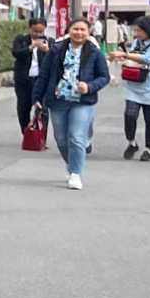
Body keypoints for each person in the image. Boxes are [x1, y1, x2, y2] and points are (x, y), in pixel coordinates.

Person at [38, 16, 109, 190]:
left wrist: (89, 86)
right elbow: (44, 75)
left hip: (83, 101)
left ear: (89, 32)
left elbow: (104, 77)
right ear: (68, 31)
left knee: (76, 137)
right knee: (61, 139)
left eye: (83, 29)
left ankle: (76, 174)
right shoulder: (56, 50)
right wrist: (37, 98)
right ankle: (71, 165)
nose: (79, 33)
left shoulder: (94, 52)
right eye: (75, 29)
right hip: (58, 100)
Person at [117, 13, 150, 161]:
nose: (136, 33)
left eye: (139, 30)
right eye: (135, 30)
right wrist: (124, 61)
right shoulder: (136, 42)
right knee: (129, 115)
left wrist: (126, 55)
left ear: (148, 29)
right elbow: (133, 59)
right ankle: (132, 143)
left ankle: (148, 149)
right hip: (133, 85)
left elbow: (148, 59)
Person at [10, 18, 51, 135]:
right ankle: (27, 134)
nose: (38, 34)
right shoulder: (21, 40)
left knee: (42, 109)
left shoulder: (49, 41)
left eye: (40, 31)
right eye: (35, 31)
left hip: (41, 81)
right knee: (23, 107)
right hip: (24, 80)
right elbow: (16, 53)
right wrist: (31, 47)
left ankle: (41, 137)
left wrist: (47, 50)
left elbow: (55, 59)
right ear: (29, 29)